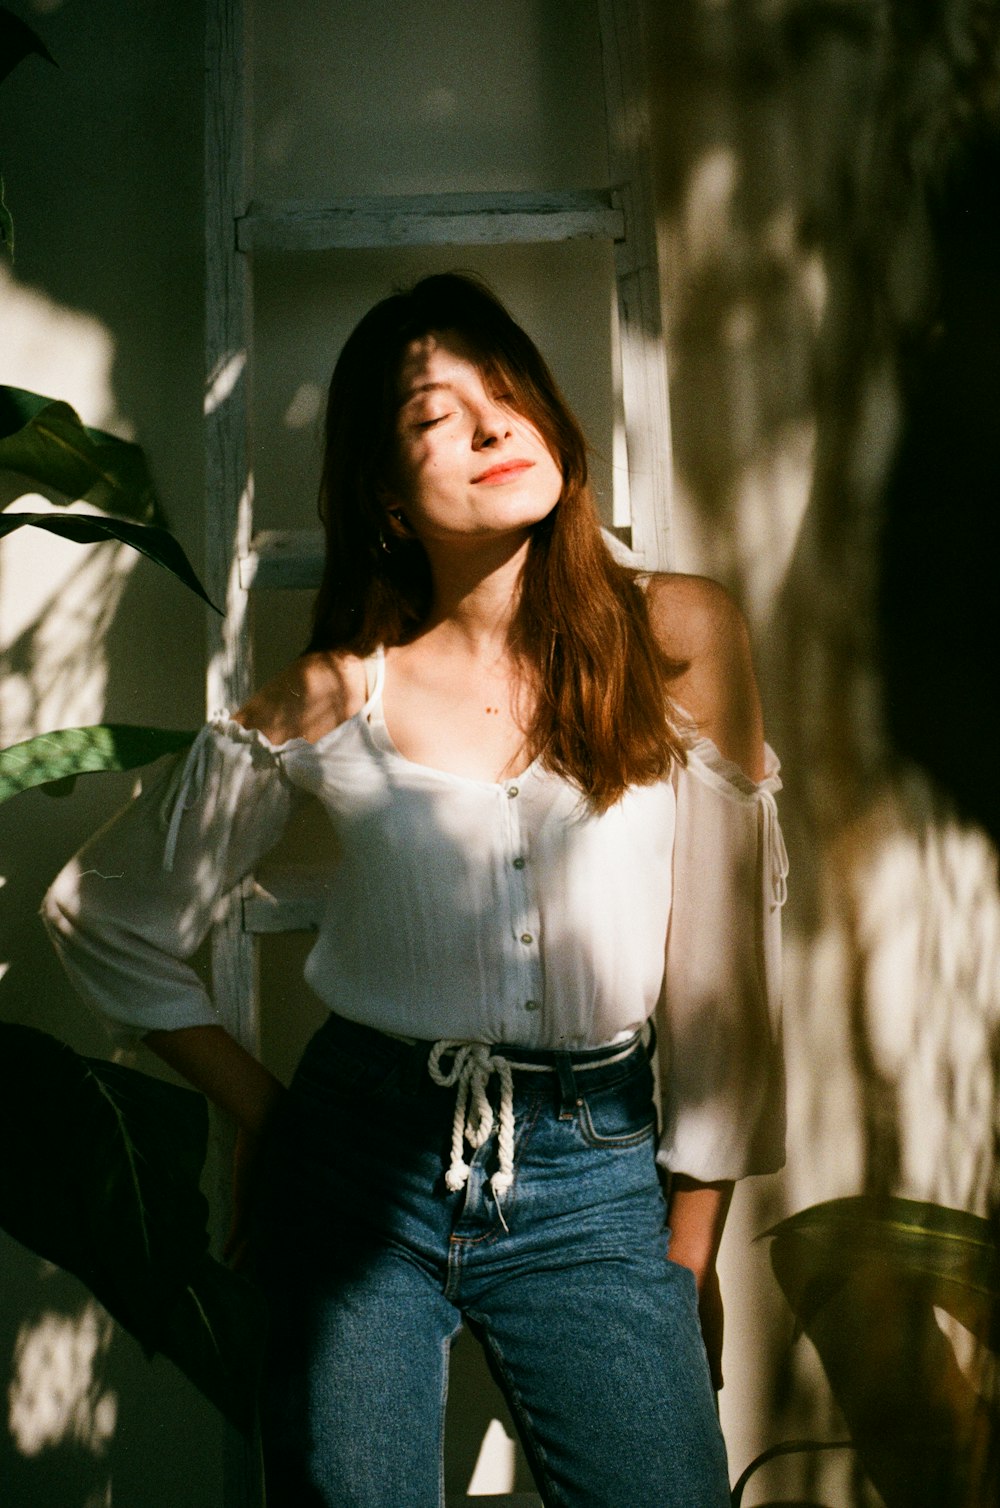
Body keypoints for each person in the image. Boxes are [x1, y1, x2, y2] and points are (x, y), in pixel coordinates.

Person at [43, 272, 787, 1508]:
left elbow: (721, 967)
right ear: (386, 495)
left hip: (593, 1175)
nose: (494, 425)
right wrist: (268, 1116)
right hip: (353, 1168)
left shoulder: (681, 634)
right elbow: (103, 910)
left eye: (507, 392)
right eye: (436, 413)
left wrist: (686, 1243)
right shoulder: (341, 691)